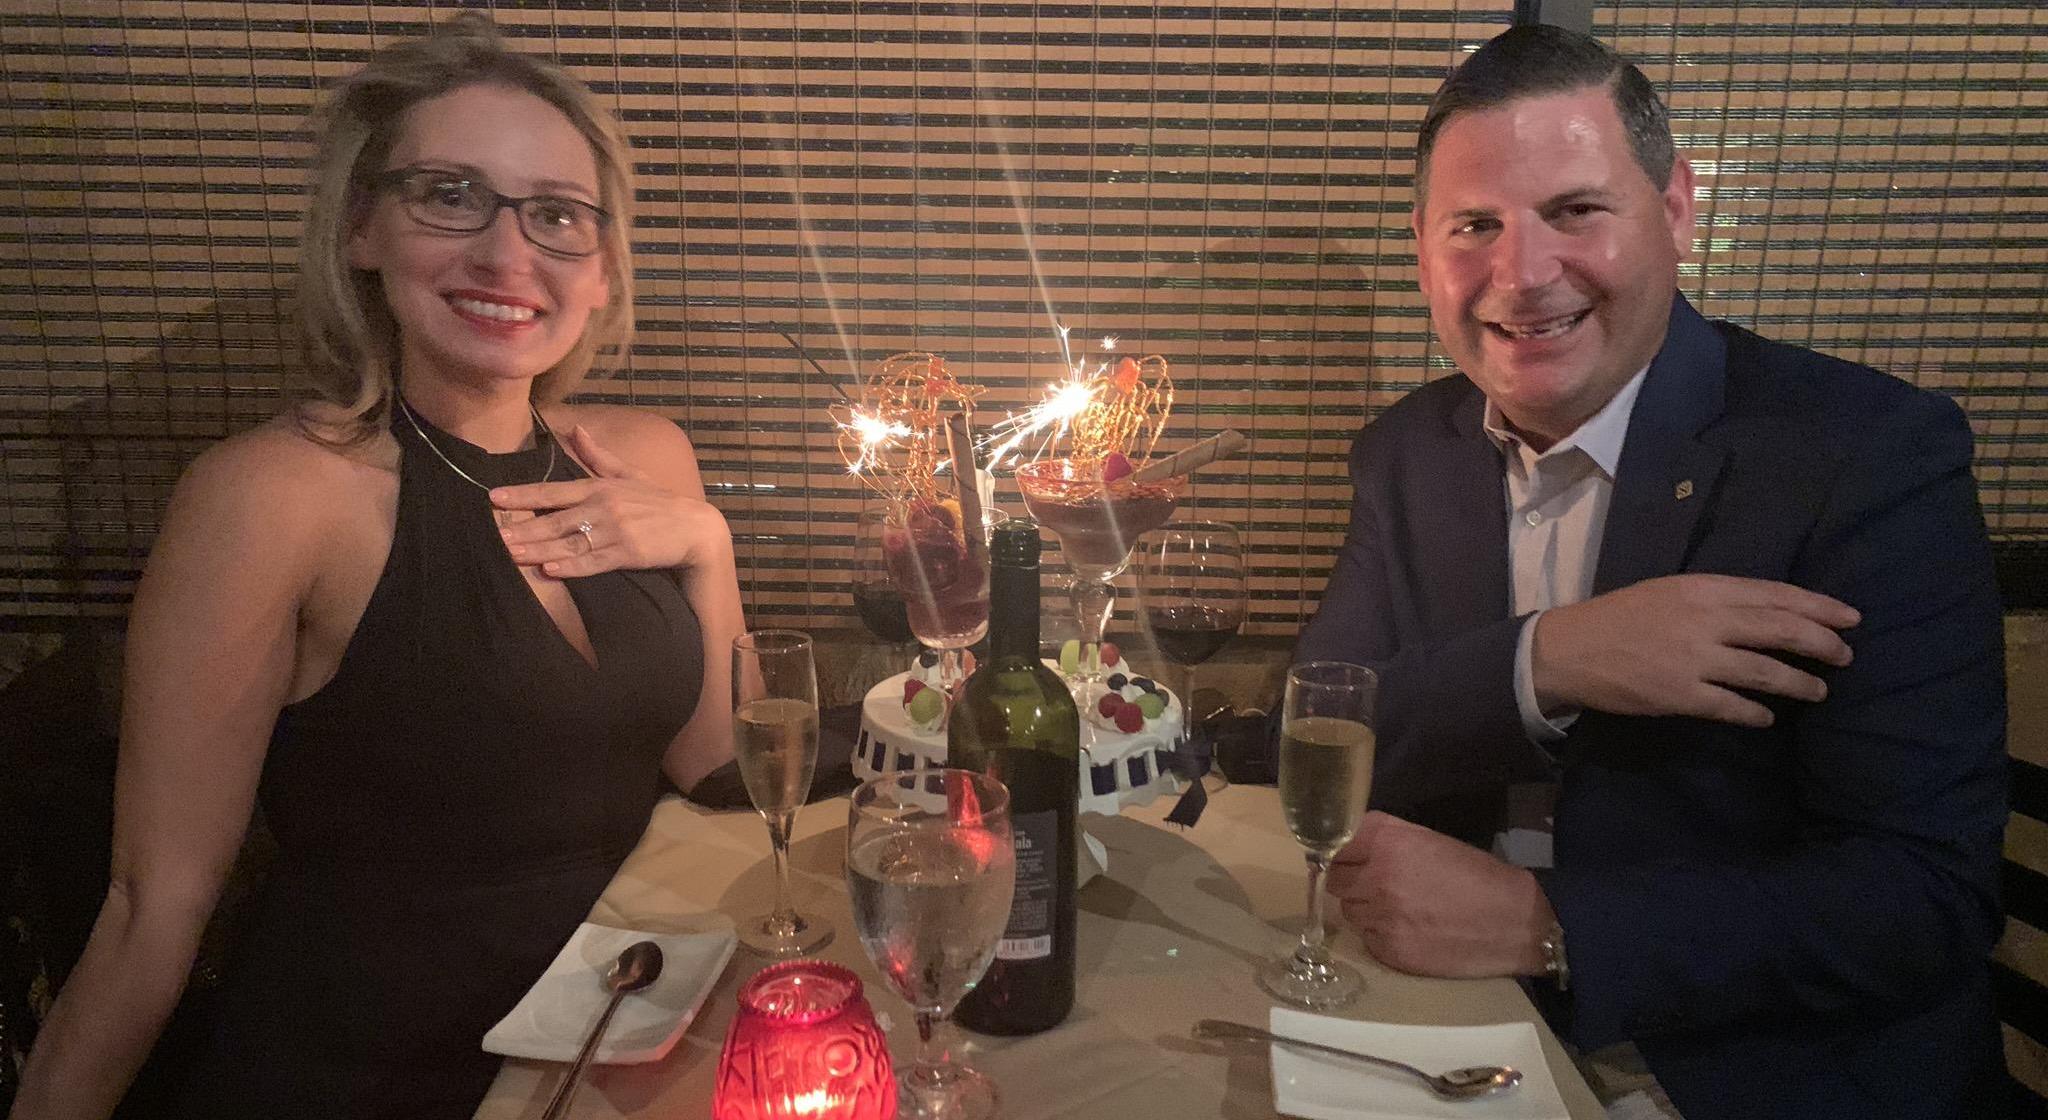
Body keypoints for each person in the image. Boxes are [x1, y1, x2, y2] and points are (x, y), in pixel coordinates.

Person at [8, 14, 745, 1119]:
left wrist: (707, 543)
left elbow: (714, 766)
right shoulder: (275, 495)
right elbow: (149, 905)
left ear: (601, 271)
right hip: (381, 1068)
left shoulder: (646, 455)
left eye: (555, 215)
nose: (506, 256)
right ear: (361, 228)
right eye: (449, 195)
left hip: (616, 1032)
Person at [1294, 24, 2008, 1120]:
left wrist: (1545, 923)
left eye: (1576, 210)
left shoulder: (1864, 455)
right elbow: (1326, 727)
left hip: (1757, 1069)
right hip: (1458, 1025)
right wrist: (1550, 659)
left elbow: (1922, 897)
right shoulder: (1406, 451)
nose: (1523, 275)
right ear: (1422, 249)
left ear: (1674, 209)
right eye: (1474, 226)